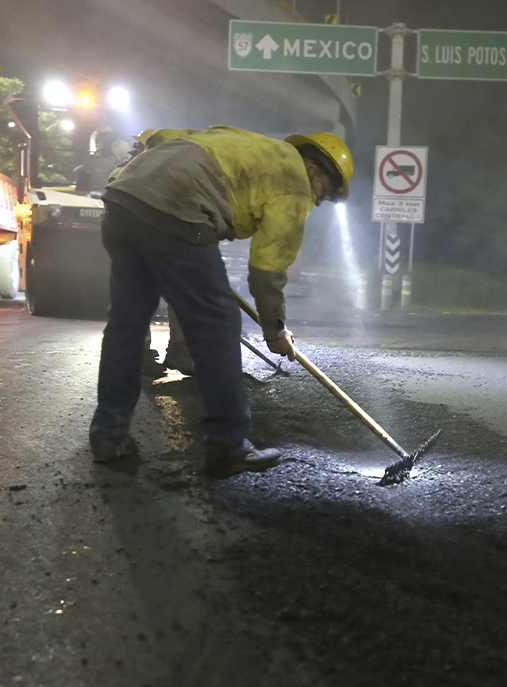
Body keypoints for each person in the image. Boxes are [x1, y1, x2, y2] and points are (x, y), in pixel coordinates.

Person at [88, 126, 353, 477]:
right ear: (315, 169)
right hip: (178, 211)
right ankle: (228, 445)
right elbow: (268, 269)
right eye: (325, 193)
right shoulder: (295, 184)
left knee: (127, 322)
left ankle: (108, 437)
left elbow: (163, 137)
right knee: (218, 324)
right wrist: (274, 328)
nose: (318, 201)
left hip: (123, 200)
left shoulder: (248, 142)